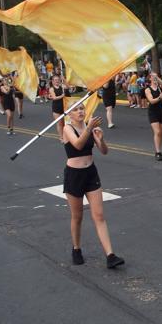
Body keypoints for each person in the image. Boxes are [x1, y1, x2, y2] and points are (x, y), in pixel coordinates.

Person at [62, 103, 125, 269]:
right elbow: (78, 145)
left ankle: (110, 255)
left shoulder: (89, 127)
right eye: (75, 109)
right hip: (74, 176)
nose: (80, 111)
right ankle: (76, 249)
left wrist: (101, 139)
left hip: (91, 173)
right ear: (69, 114)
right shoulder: (67, 128)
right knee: (77, 216)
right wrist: (89, 128)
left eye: (82, 108)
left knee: (99, 215)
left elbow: (104, 151)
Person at [145, 73, 162, 160]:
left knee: (161, 132)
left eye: (156, 77)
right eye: (152, 77)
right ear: (149, 79)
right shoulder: (148, 89)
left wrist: (157, 77)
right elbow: (151, 101)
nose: (154, 78)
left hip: (161, 110)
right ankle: (157, 152)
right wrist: (159, 98)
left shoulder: (160, 87)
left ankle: (159, 150)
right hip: (153, 112)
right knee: (157, 132)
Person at [49, 75, 67, 142]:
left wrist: (64, 79)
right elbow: (54, 98)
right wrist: (62, 96)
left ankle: (65, 136)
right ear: (53, 81)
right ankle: (61, 137)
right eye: (55, 80)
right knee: (59, 123)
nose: (57, 81)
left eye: (58, 79)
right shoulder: (51, 89)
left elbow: (68, 87)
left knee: (64, 123)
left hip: (63, 107)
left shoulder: (61, 86)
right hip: (56, 108)